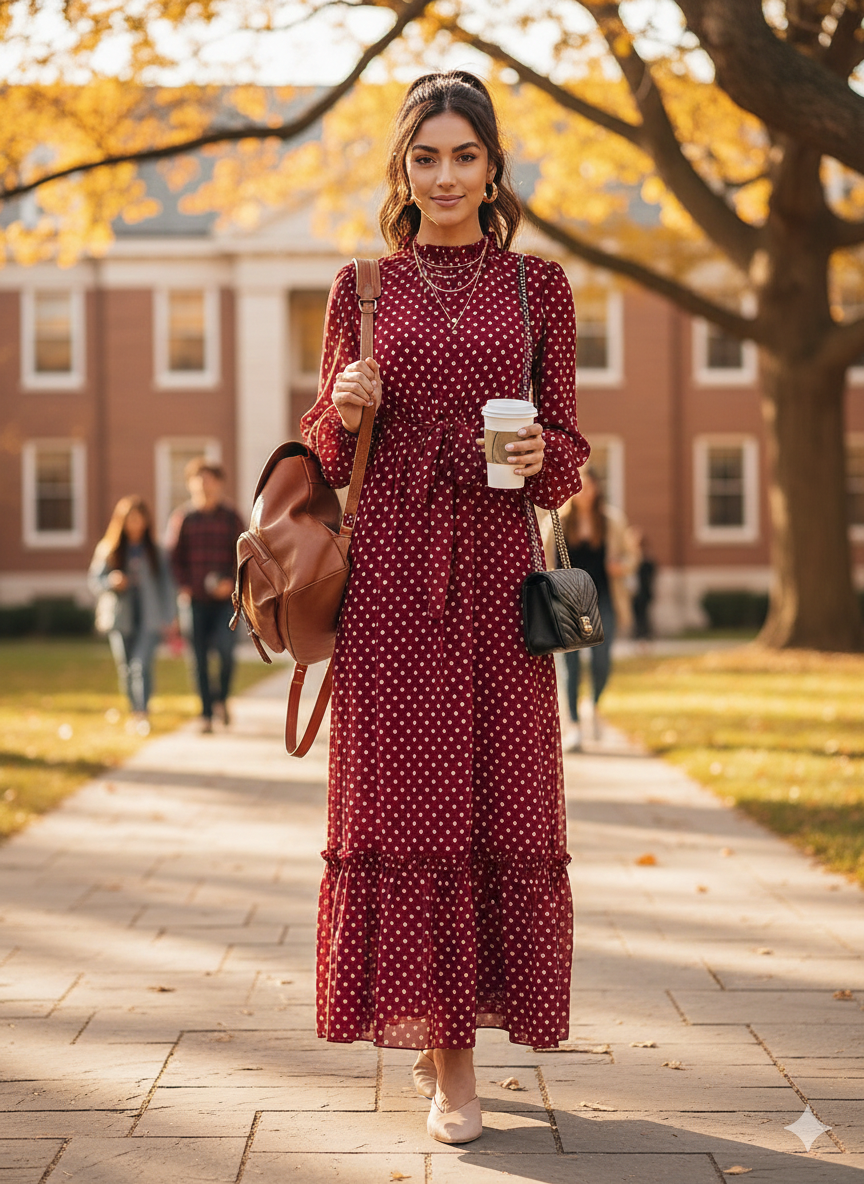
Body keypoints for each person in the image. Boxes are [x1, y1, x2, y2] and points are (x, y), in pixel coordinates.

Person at [300, 71, 588, 1146]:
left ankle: (447, 1021)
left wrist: (539, 452)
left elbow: (568, 451)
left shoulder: (540, 289)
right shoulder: (362, 288)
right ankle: (451, 1062)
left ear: (494, 167)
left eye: (466, 156)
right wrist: (343, 407)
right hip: (389, 578)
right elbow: (325, 456)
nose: (447, 177)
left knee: (499, 798)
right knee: (413, 807)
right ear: (404, 169)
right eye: (427, 158)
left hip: (500, 570)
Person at [551, 471, 638, 751]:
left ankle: (594, 704)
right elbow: (543, 557)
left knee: (602, 662)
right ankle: (575, 726)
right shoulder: (558, 521)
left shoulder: (611, 521)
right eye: (580, 487)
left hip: (603, 600)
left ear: (597, 489)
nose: (585, 492)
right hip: (569, 603)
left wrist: (621, 567)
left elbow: (631, 557)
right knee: (571, 664)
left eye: (589, 487)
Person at [167, 459, 244, 734]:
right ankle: (206, 714)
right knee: (198, 659)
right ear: (190, 485)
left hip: (226, 602)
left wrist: (232, 584)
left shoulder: (232, 517)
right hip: (194, 602)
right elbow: (173, 559)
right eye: (199, 480)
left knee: (226, 652)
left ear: (219, 483)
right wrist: (185, 586)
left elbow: (245, 556)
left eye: (209, 479)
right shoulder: (183, 518)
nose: (204, 485)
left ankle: (221, 699)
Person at [89, 496, 176, 732]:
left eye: (139, 519)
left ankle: (143, 712)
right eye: (130, 519)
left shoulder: (156, 551)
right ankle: (133, 710)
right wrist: (111, 581)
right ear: (122, 522)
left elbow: (167, 586)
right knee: (126, 667)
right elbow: (95, 580)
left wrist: (171, 616)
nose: (135, 524)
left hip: (150, 618)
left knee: (141, 665)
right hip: (121, 619)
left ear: (146, 521)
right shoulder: (109, 549)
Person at [631, 527, 656, 642]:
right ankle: (639, 635)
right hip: (634, 592)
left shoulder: (645, 560)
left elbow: (649, 576)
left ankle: (644, 636)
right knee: (638, 616)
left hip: (643, 592)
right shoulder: (632, 558)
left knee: (643, 616)